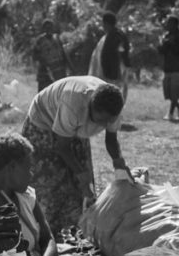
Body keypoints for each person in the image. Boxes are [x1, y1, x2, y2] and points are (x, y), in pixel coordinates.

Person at [21, 76, 129, 237]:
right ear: (91, 107)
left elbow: (111, 139)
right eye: (101, 121)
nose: (105, 125)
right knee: (50, 181)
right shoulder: (73, 103)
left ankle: (73, 229)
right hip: (43, 123)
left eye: (109, 121)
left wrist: (119, 163)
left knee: (82, 189)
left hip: (73, 127)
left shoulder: (112, 107)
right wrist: (81, 174)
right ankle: (45, 232)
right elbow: (62, 147)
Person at [158, 15, 179, 122]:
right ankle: (178, 110)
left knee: (174, 92)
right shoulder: (166, 36)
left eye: (169, 23)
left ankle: (173, 112)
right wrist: (163, 43)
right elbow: (161, 51)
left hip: (178, 67)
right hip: (168, 67)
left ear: (175, 24)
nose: (167, 25)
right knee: (169, 93)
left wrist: (175, 42)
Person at [89, 11, 130, 93]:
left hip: (111, 73)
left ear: (106, 24)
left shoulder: (114, 37)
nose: (102, 26)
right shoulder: (118, 35)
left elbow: (118, 55)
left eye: (103, 23)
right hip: (111, 73)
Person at [32, 19, 72, 91]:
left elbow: (64, 54)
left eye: (50, 27)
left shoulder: (57, 38)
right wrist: (44, 62)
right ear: (43, 29)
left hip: (60, 71)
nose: (49, 29)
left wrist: (70, 67)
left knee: (60, 91)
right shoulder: (40, 41)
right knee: (44, 92)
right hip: (45, 73)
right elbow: (35, 56)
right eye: (46, 28)